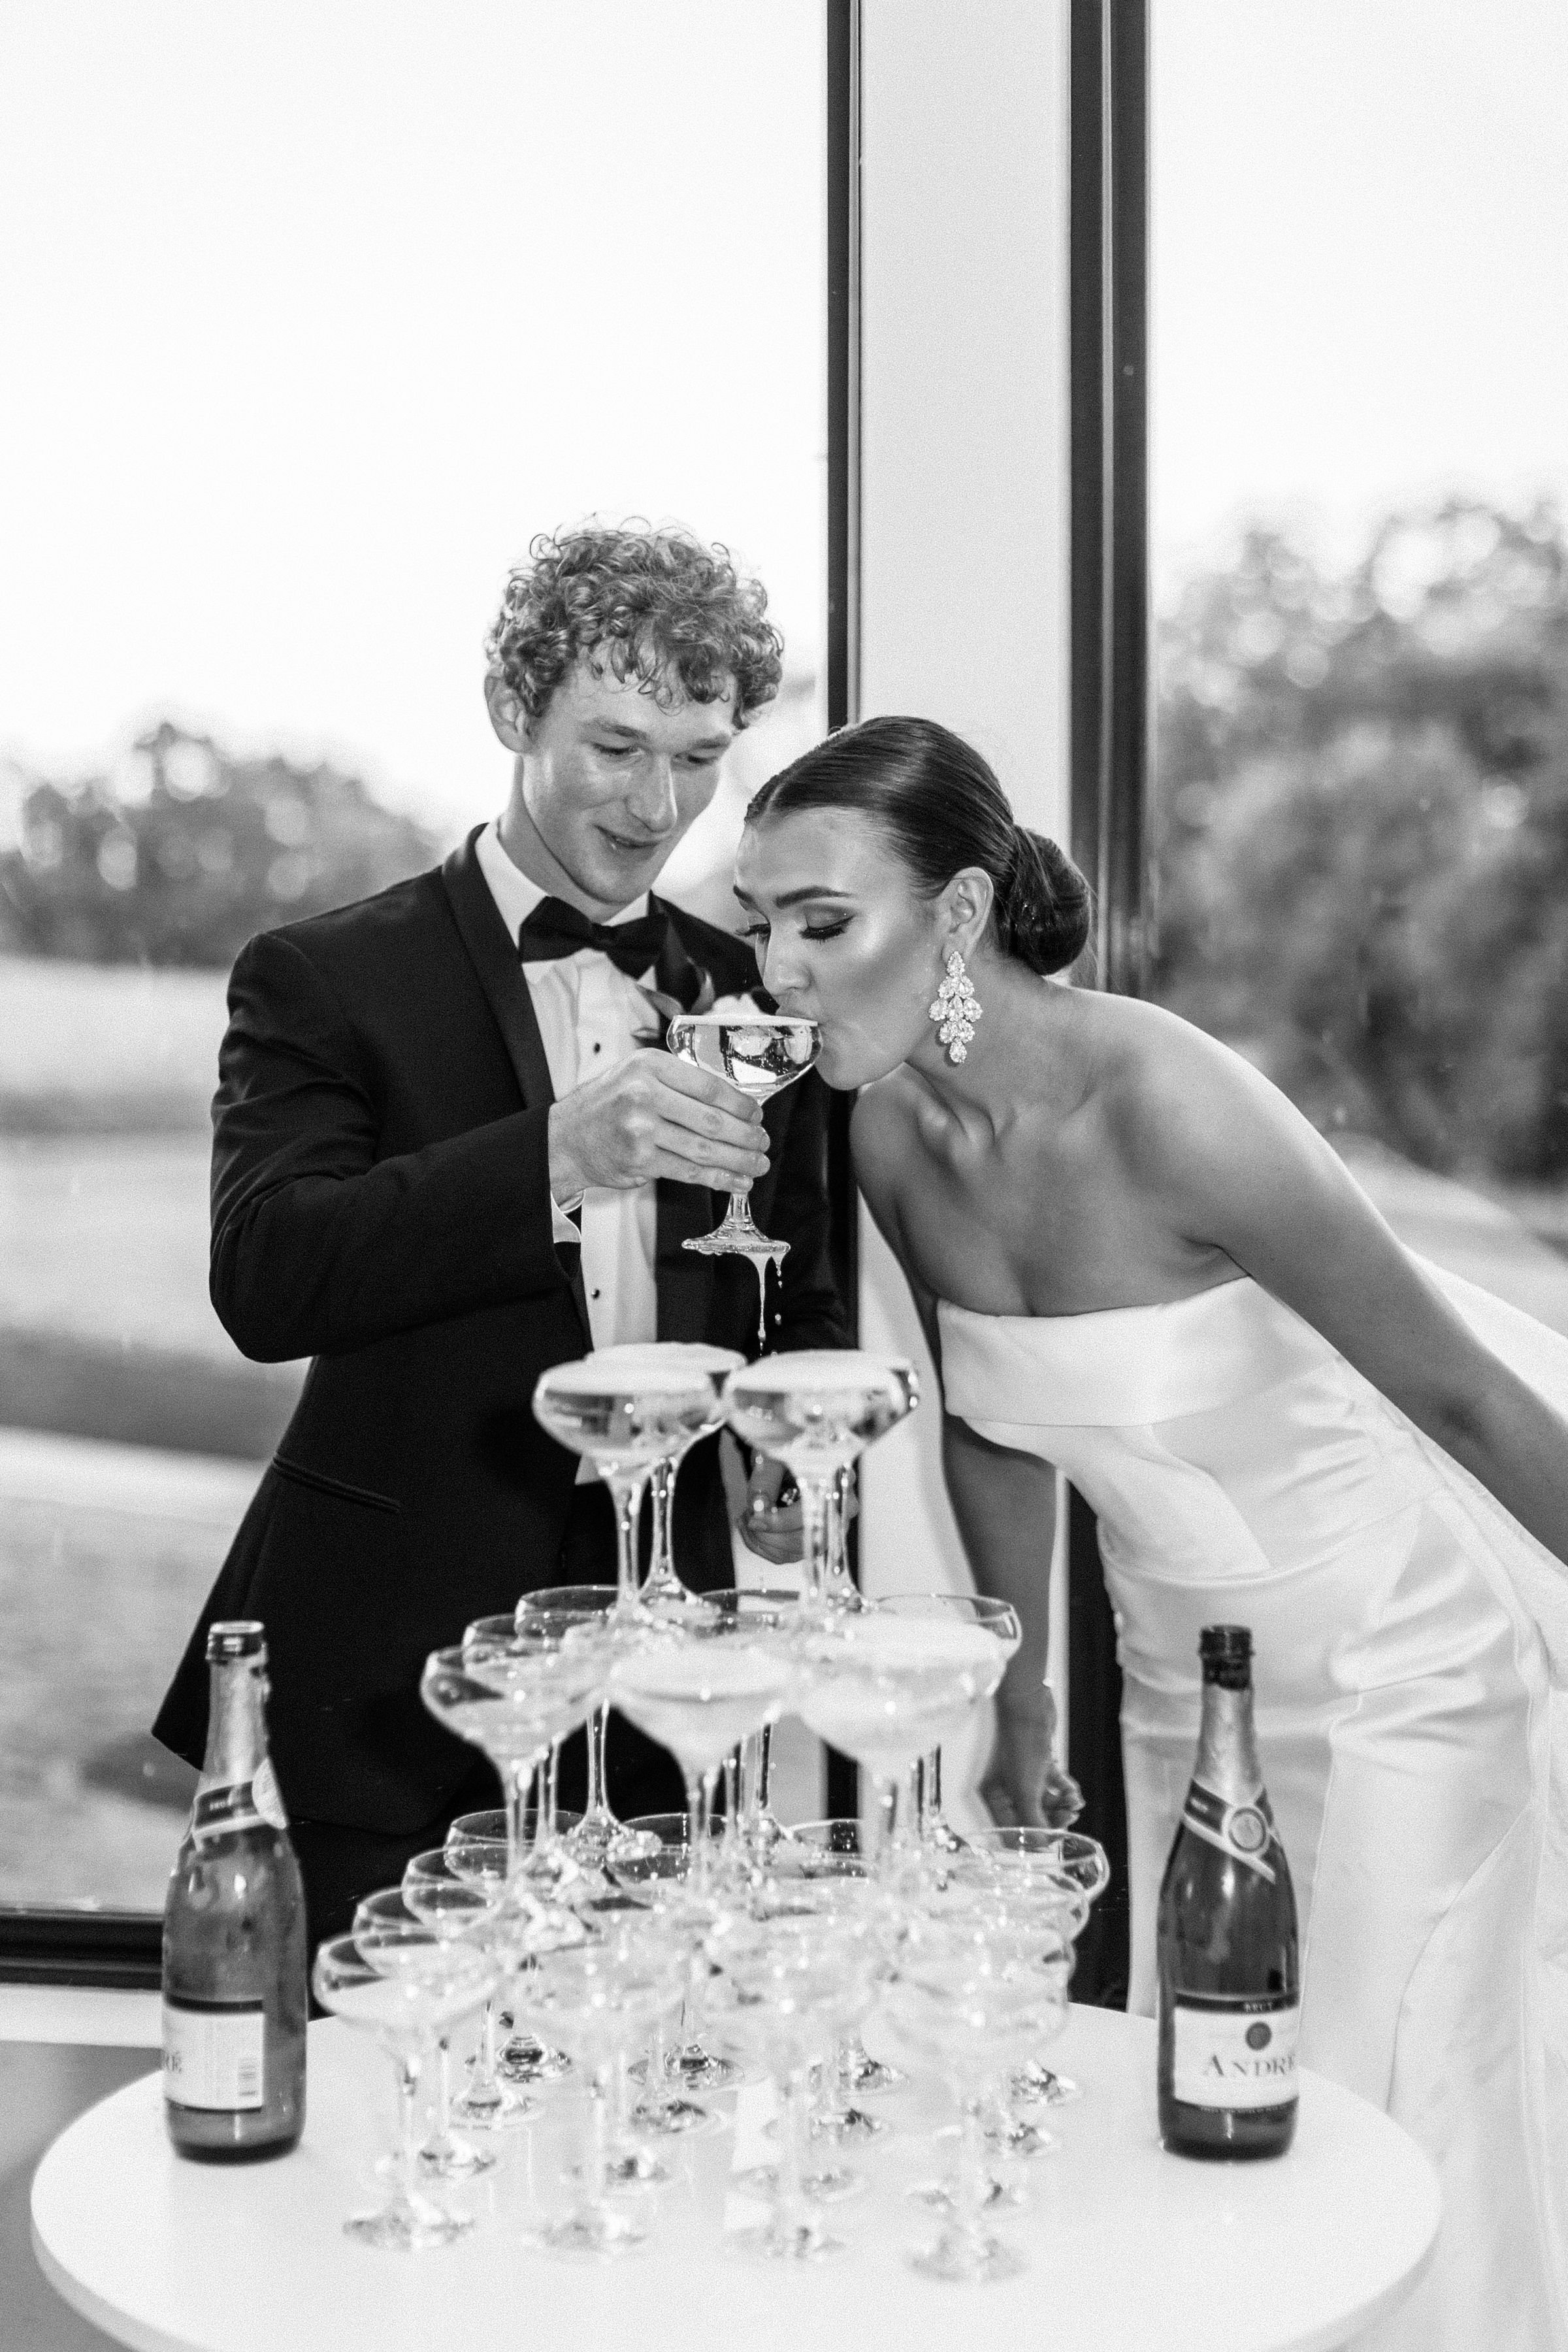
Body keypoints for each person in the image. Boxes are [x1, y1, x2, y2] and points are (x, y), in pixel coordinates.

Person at [734, 712, 1568, 2351]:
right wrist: (1023, 1697)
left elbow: (1462, 1396)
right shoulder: (893, 1133)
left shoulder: (1175, 1101)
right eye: (762, 924)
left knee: (1367, 2082)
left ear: (959, 916)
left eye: (820, 924)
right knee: (1203, 2078)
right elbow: (994, 1421)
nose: (777, 971)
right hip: (1182, 1678)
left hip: (1398, 1653)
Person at [154, 523, 847, 1950]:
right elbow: (268, 1275)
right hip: (393, 1674)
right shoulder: (325, 978)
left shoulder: (752, 993)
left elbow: (802, 1287)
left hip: (669, 1700)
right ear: (510, 714)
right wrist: (561, 1152)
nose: (662, 804)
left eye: (701, 753)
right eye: (616, 745)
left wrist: (789, 1446)